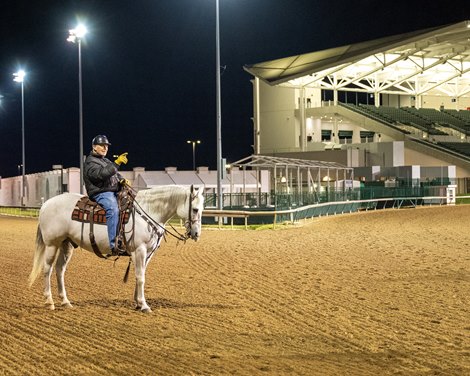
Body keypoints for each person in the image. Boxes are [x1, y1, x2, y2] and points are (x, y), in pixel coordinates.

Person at [83, 135, 129, 256]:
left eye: (106, 146)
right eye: (102, 146)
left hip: (112, 190)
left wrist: (122, 180)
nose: (105, 148)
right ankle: (114, 245)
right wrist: (117, 163)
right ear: (94, 147)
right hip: (100, 192)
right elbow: (101, 174)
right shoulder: (90, 161)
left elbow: (115, 175)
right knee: (113, 209)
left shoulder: (105, 160)